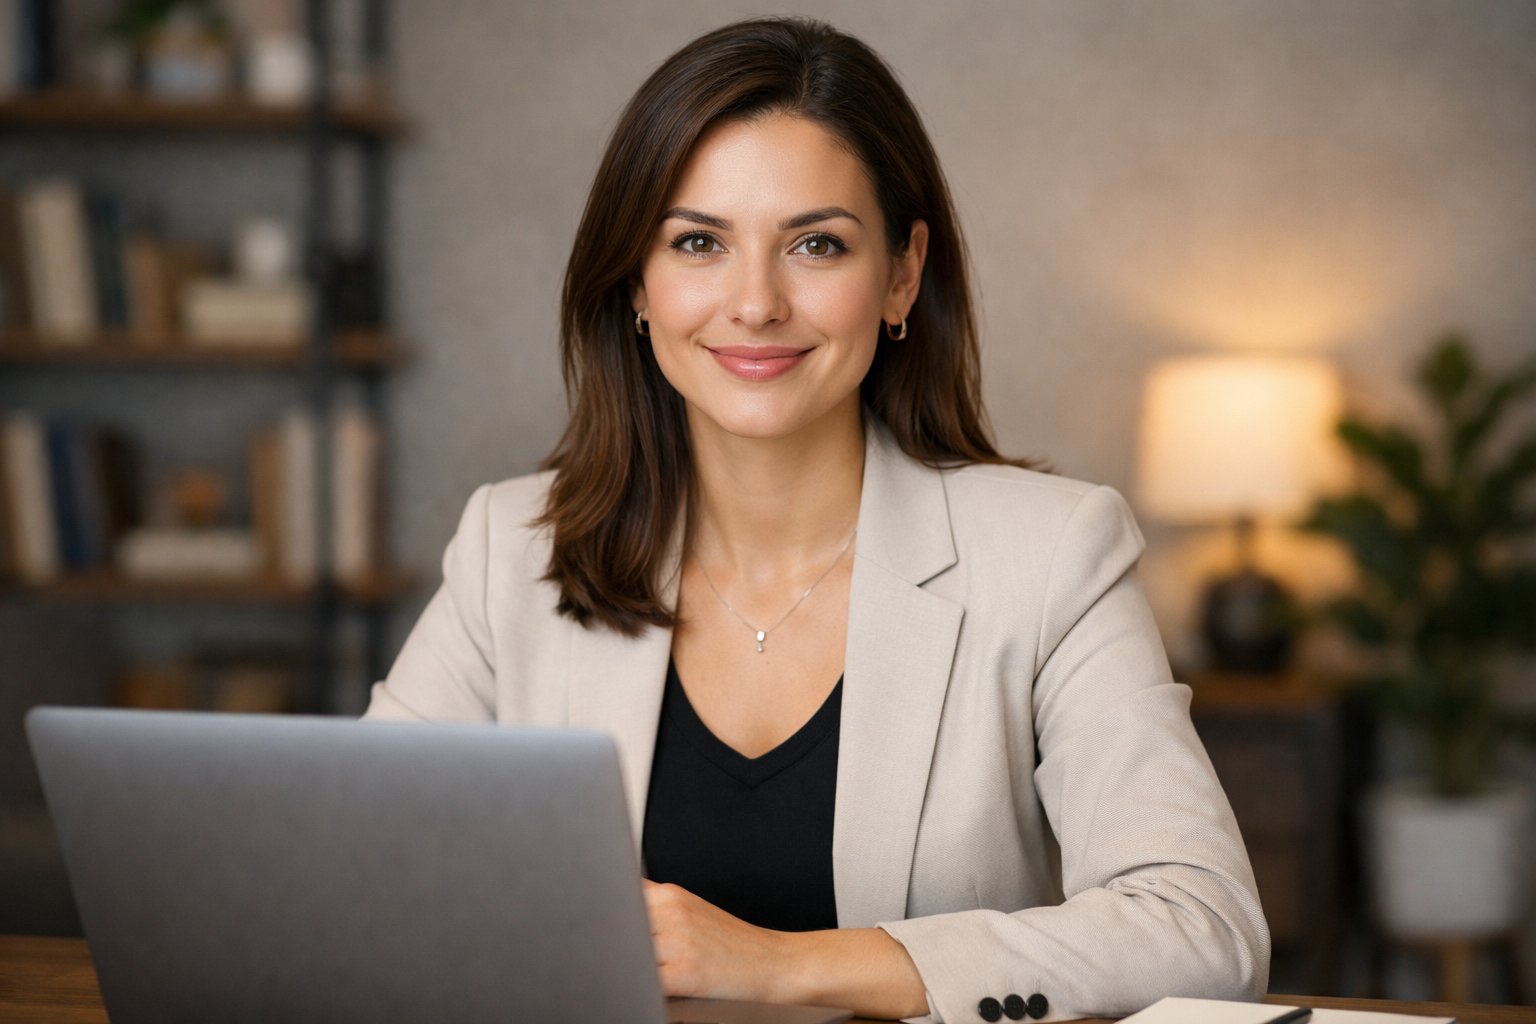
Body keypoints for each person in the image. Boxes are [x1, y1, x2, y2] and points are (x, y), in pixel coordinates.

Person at [364, 16, 1269, 1023]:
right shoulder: (513, 549)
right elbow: (357, 877)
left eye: (816, 244)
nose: (754, 303)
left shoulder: (1053, 554)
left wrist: (779, 964)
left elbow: (1202, 926)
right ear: (636, 283)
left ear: (901, 274)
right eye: (698, 241)